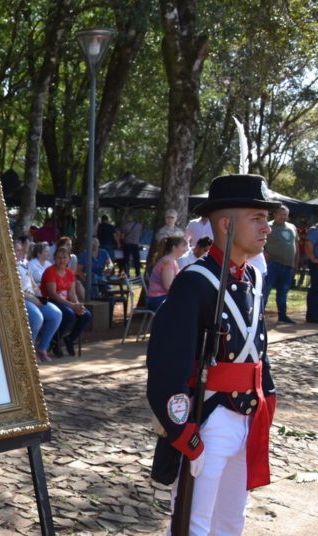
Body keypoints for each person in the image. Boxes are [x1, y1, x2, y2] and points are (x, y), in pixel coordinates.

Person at [146, 174, 278, 536]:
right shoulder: (196, 281)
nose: (267, 226)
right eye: (257, 218)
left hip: (245, 415)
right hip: (209, 418)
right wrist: (184, 432)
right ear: (226, 223)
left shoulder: (254, 278)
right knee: (194, 524)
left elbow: (256, 347)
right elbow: (167, 365)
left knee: (230, 523)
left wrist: (267, 393)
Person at [14, 236, 62, 363]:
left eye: (20, 250)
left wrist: (39, 295)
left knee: (56, 314)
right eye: (17, 250)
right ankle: (28, 351)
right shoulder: (9, 266)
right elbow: (14, 289)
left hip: (33, 296)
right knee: (37, 318)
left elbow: (33, 282)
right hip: (21, 298)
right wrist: (33, 298)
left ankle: (42, 348)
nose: (21, 252)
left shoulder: (24, 263)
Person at [41, 247, 91, 356]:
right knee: (69, 315)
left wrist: (77, 305)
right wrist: (72, 306)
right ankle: (54, 340)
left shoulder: (70, 273)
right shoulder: (50, 271)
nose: (62, 260)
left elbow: (72, 293)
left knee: (86, 315)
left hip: (67, 302)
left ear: (69, 259)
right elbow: (53, 294)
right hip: (52, 301)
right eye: (59, 257)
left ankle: (70, 339)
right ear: (55, 258)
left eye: (64, 258)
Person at [263, 205, 298, 323]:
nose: (283, 217)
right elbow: (259, 241)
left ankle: (282, 316)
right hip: (272, 264)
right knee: (266, 290)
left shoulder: (292, 227)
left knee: (283, 292)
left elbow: (295, 245)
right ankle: (259, 316)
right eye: (281, 214)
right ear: (275, 214)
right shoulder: (268, 226)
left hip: (288, 265)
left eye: (285, 215)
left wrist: (296, 262)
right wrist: (264, 252)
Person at [146, 236, 187, 311]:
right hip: (158, 299)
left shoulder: (170, 260)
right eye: (183, 246)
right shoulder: (168, 262)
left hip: (159, 298)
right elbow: (168, 286)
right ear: (174, 247)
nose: (185, 250)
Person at [305, 221, 318, 323]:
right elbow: (309, 244)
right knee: (315, 290)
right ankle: (312, 317)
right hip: (316, 263)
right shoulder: (315, 230)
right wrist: (313, 258)